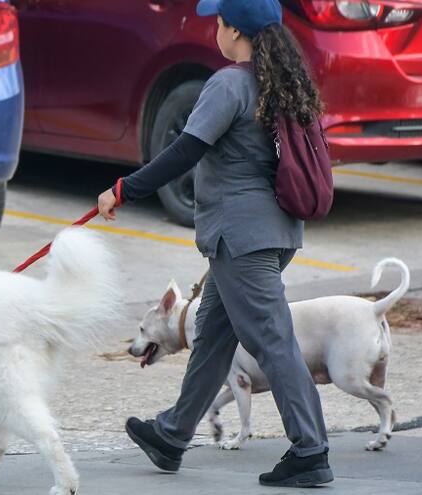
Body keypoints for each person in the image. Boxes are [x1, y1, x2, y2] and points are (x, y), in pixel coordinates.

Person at [96, 0, 333, 488]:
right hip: (275, 233)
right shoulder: (283, 86)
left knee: (272, 339)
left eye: (219, 22)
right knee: (212, 337)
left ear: (235, 31)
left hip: (241, 238)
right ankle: (172, 434)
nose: (216, 30)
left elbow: (186, 148)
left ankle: (310, 450)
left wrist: (126, 188)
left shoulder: (228, 84)